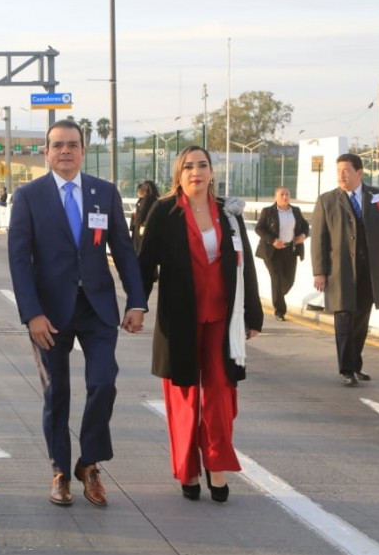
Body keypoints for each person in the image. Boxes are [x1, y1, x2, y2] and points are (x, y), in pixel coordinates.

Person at [7, 119, 146, 508]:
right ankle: (60, 471)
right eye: (57, 145)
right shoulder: (29, 196)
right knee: (57, 393)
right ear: (47, 152)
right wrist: (31, 313)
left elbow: (123, 250)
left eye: (72, 144)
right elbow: (19, 260)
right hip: (49, 314)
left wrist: (136, 300)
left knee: (104, 383)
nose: (65, 150)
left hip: (98, 308)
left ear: (84, 151)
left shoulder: (105, 193)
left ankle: (89, 462)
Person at [136, 145, 261, 503]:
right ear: (179, 174)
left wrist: (253, 314)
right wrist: (136, 305)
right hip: (180, 321)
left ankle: (217, 465)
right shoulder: (164, 211)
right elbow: (146, 264)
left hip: (223, 319)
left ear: (212, 172)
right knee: (184, 398)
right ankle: (187, 468)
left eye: (202, 165)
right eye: (188, 166)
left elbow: (245, 265)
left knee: (222, 396)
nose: (196, 172)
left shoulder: (228, 213)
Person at [311, 153, 379, 386]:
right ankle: (346, 369)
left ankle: (355, 365)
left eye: (346, 171)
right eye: (338, 172)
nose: (341, 176)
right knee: (344, 318)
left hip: (370, 271)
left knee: (362, 319)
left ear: (359, 173)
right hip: (340, 270)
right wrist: (319, 271)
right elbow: (319, 239)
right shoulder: (327, 201)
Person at [254, 187, 310, 322]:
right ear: (276, 197)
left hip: (290, 249)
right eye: (282, 194)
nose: (285, 196)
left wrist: (303, 235)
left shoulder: (295, 211)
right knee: (277, 279)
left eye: (287, 194)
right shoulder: (268, 211)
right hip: (272, 251)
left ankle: (277, 295)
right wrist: (273, 240)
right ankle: (280, 311)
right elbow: (259, 228)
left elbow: (305, 225)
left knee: (289, 280)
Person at [131, 180, 158, 249]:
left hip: (141, 233)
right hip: (151, 233)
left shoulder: (146, 200)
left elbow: (140, 217)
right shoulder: (156, 200)